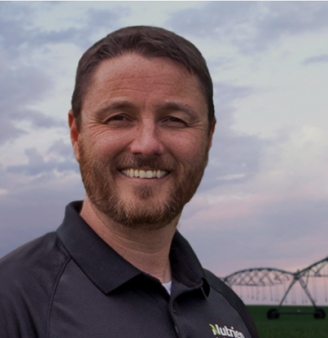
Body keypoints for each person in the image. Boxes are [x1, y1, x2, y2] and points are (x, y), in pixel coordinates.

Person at [0, 26, 258, 338]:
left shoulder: (227, 307)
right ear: (76, 135)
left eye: (174, 120)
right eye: (119, 117)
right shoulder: (12, 302)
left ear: (208, 137)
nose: (147, 145)